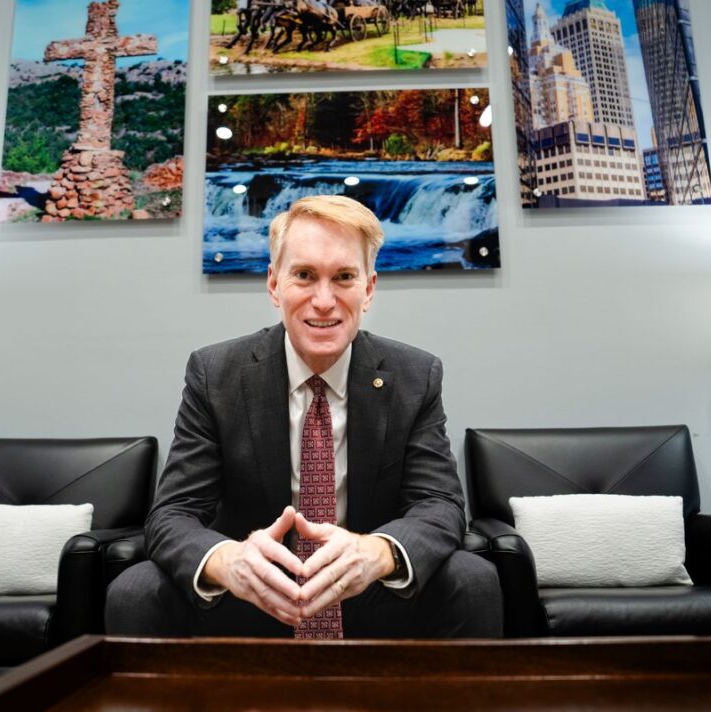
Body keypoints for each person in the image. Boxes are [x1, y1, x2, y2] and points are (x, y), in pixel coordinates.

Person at [105, 195, 502, 638]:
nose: (324, 300)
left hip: (365, 591)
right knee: (134, 591)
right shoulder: (215, 374)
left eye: (344, 277)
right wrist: (228, 562)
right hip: (254, 593)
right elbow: (173, 512)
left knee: (473, 579)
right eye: (305, 275)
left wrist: (378, 551)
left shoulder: (415, 375)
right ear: (275, 285)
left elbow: (440, 503)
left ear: (368, 289)